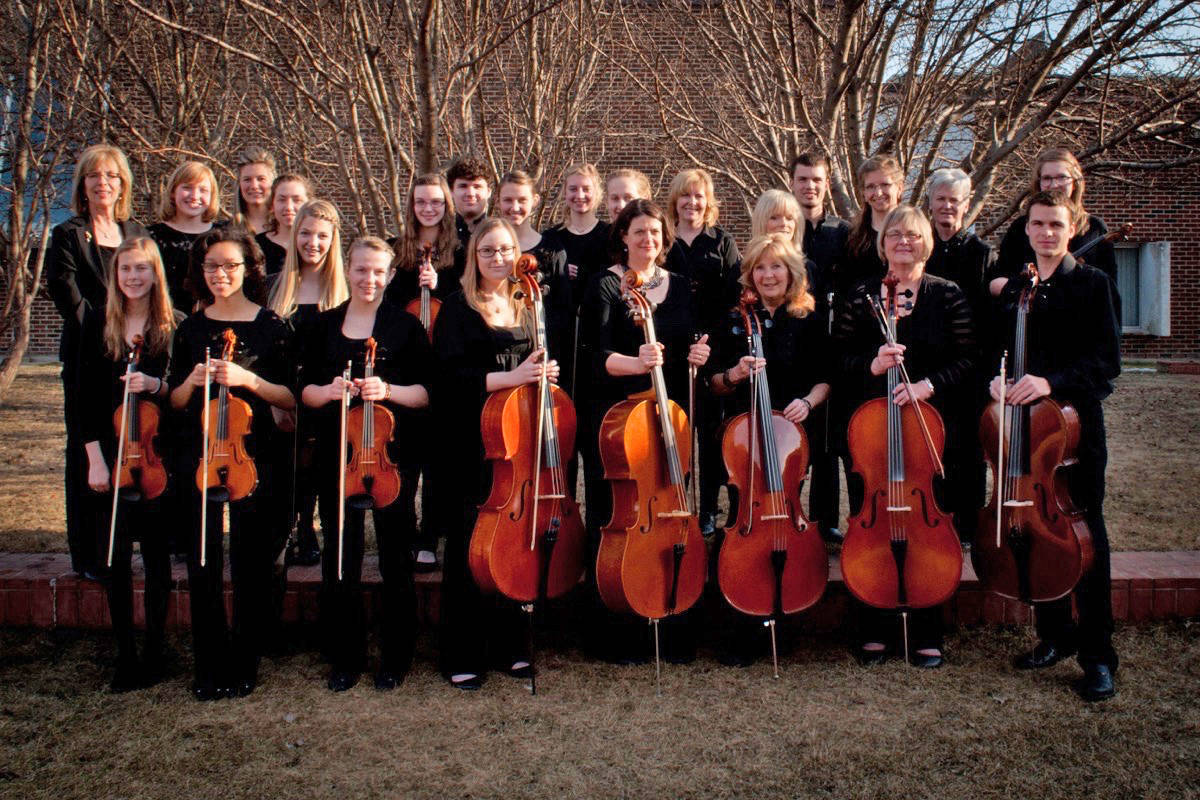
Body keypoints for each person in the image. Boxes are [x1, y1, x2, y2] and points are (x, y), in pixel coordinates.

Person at [989, 191, 1121, 702]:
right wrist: (996, 382)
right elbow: (995, 354)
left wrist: (1050, 382)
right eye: (1038, 224)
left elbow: (1105, 365)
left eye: (1055, 225)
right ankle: (1054, 636)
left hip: (1072, 431)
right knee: (1034, 528)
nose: (1046, 233)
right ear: (1027, 231)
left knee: (1085, 541)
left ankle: (1097, 657)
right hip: (1023, 430)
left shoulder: (1092, 285)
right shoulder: (1018, 291)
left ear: (1071, 229)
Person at [833, 205, 977, 668]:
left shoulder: (947, 294)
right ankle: (872, 621)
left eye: (913, 235)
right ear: (882, 243)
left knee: (926, 528)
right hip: (872, 435)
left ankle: (927, 625)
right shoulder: (862, 296)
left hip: (929, 429)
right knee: (870, 525)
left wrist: (926, 385)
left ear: (926, 241)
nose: (903, 242)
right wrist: (872, 364)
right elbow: (839, 359)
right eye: (894, 234)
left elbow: (969, 358)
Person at [300, 237, 434, 692]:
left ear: (390, 275)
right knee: (342, 556)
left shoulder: (405, 327)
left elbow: (425, 394)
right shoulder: (322, 327)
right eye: (361, 270)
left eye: (378, 272)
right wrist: (330, 391)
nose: (369, 279)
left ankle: (396, 656)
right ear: (348, 269)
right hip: (337, 456)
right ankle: (346, 655)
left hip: (390, 458)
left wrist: (387, 390)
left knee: (396, 557)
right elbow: (304, 392)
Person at [167, 227, 295, 700]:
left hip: (253, 456)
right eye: (212, 267)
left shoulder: (272, 326)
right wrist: (193, 381)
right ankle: (208, 664)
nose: (221, 274)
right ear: (200, 273)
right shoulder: (191, 328)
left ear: (248, 269)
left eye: (230, 266)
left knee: (249, 561)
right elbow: (175, 401)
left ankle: (244, 661)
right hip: (200, 457)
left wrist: (249, 379)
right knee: (204, 561)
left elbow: (290, 398)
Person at [431, 217, 558, 690]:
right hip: (473, 440)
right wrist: (514, 378)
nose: (500, 258)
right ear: (474, 256)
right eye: (489, 251)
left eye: (506, 249)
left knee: (514, 545)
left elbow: (537, 362)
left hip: (518, 438)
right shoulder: (460, 308)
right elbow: (448, 380)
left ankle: (511, 646)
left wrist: (545, 373)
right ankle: (462, 652)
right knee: (471, 547)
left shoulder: (528, 304)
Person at [588, 199, 711, 662]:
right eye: (639, 232)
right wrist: (635, 362)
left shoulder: (678, 286)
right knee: (621, 516)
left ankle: (675, 615)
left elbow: (690, 341)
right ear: (623, 235)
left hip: (670, 415)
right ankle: (620, 627)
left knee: (671, 510)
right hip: (622, 416)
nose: (648, 240)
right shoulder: (606, 285)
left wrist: (699, 353)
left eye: (656, 233)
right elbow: (594, 352)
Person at [707, 233, 831, 665]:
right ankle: (743, 619)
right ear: (750, 276)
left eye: (776, 266)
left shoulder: (808, 317)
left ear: (791, 272)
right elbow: (714, 382)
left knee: (790, 510)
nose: (768, 275)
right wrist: (737, 372)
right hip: (744, 439)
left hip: (791, 438)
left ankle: (789, 612)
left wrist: (808, 402)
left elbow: (826, 377)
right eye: (760, 268)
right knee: (742, 517)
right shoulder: (736, 319)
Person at [78, 237, 177, 691]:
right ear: (114, 276)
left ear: (155, 273)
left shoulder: (172, 326)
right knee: (116, 560)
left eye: (142, 268)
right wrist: (96, 461)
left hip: (156, 461)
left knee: (158, 561)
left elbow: (179, 400)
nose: (134, 277)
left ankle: (156, 649)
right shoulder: (98, 323)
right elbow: (80, 400)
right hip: (112, 460)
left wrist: (155, 384)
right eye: (125, 270)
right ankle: (124, 654)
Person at [46, 144, 147, 580]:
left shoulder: (135, 230)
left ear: (122, 184)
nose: (103, 183)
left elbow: (148, 281)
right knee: (89, 442)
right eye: (94, 176)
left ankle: (124, 541)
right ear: (82, 185)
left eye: (111, 176)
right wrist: (105, 332)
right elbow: (65, 292)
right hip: (90, 348)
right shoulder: (69, 234)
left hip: (135, 347)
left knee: (131, 438)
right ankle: (89, 554)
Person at [385, 173, 464, 573]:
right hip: (405, 360)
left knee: (437, 457)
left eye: (436, 202)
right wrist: (414, 288)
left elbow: (468, 300)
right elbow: (386, 303)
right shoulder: (395, 250)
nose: (428, 208)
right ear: (411, 206)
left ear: (446, 206)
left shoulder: (460, 250)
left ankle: (430, 534)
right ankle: (403, 530)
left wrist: (442, 288)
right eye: (421, 202)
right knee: (405, 453)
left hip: (444, 359)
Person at [268, 200, 349, 569]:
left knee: (317, 465)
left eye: (321, 235)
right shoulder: (273, 288)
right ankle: (289, 531)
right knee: (286, 471)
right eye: (305, 233)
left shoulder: (344, 293)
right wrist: (275, 401)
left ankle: (309, 531)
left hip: (324, 398)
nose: (312, 242)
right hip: (279, 398)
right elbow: (263, 354)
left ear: (333, 240)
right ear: (293, 235)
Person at [663, 168, 740, 535]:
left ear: (708, 202)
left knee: (710, 435)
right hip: (672, 351)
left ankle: (708, 508)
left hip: (712, 352)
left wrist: (711, 342)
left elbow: (733, 299)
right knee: (676, 433)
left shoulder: (721, 241)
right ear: (674, 200)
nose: (692, 203)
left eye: (699, 196)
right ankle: (677, 502)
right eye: (685, 195)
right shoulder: (663, 240)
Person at [922, 168, 995, 543]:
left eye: (955, 200)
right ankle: (933, 525)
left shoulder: (982, 254)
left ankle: (966, 532)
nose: (947, 206)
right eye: (941, 199)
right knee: (931, 452)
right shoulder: (921, 247)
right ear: (930, 202)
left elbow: (988, 318)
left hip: (969, 370)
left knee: (967, 454)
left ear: (966, 205)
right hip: (928, 368)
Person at [789, 151, 850, 541]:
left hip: (832, 336)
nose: (809, 186)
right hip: (794, 337)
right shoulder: (786, 229)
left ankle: (826, 518)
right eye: (803, 179)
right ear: (792, 183)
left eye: (816, 179)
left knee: (827, 435)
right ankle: (789, 513)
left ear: (826, 184)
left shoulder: (842, 233)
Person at [990, 148, 1119, 306]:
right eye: (1047, 178)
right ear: (1039, 183)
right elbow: (997, 279)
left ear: (1075, 182)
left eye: (1062, 177)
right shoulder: (1020, 227)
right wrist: (1024, 290)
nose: (1054, 184)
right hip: (1029, 319)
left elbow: (1110, 291)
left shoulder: (1094, 228)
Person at [496, 170, 571, 367]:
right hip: (500, 350)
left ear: (535, 200)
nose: (515, 207)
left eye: (522, 200)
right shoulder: (490, 249)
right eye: (508, 200)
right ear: (497, 201)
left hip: (543, 347)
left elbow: (562, 312)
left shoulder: (552, 249)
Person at [148, 160, 224, 312]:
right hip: (164, 321)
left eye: (203, 190)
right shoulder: (152, 236)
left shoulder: (223, 236)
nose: (195, 195)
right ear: (172, 192)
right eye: (187, 188)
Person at [843, 154, 904, 298]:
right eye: (870, 187)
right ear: (863, 193)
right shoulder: (853, 238)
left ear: (900, 188)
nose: (878, 193)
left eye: (885, 185)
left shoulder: (915, 235)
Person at [256, 174, 312, 276]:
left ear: (309, 204)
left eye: (297, 200)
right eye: (282, 200)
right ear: (272, 205)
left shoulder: (315, 246)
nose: (289, 207)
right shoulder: (256, 246)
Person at [445, 156, 492, 248]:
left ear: (489, 191)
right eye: (463, 186)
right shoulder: (440, 235)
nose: (470, 193)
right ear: (451, 191)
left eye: (477, 186)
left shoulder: (499, 234)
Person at [232, 147, 276, 234]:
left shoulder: (284, 228)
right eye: (247, 179)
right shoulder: (227, 232)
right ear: (239, 184)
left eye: (261, 179)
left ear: (273, 182)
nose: (254, 186)